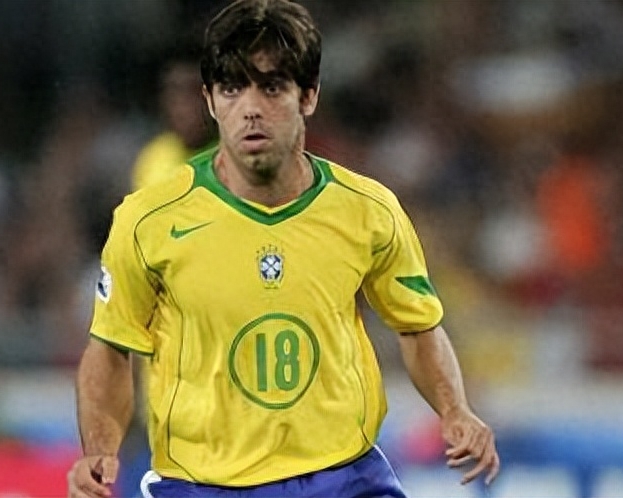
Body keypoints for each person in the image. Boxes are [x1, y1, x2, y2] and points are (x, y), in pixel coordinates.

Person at [67, 1, 500, 497]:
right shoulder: (148, 219)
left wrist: (454, 409)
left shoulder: (368, 211)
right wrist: (99, 449)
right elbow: (111, 348)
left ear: (308, 95)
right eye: (232, 88)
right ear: (210, 101)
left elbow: (417, 327)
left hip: (343, 479)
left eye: (271, 87)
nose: (250, 108)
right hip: (203, 484)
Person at [131, 44, 215, 191]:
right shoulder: (152, 161)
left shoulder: (237, 157)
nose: (185, 107)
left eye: (193, 92)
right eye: (175, 93)